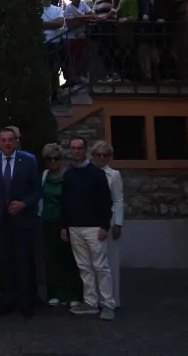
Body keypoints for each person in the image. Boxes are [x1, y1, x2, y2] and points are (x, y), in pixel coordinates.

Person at [0, 128, 40, 317]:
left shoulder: (28, 162)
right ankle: (8, 299)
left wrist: (24, 203)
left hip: (23, 220)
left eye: (10, 140)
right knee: (5, 262)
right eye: (4, 140)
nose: (7, 143)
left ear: (16, 142)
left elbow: (37, 190)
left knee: (23, 262)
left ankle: (25, 302)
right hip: (1, 222)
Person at [62, 137, 116, 320]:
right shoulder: (69, 174)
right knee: (84, 267)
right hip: (74, 227)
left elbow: (106, 201)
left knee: (101, 267)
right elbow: (65, 201)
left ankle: (108, 304)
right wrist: (64, 226)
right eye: (73, 148)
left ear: (85, 150)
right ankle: (90, 302)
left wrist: (105, 226)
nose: (76, 151)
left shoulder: (96, 174)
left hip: (94, 228)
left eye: (79, 148)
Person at [39, 143, 82, 308]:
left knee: (69, 258)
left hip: (66, 222)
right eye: (49, 159)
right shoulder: (45, 175)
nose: (53, 162)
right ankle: (55, 293)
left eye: (56, 158)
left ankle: (74, 294)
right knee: (51, 259)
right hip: (48, 221)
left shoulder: (69, 175)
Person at [91, 140, 125, 308]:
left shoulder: (114, 175)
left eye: (105, 155)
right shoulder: (88, 173)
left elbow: (118, 200)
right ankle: (95, 298)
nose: (102, 158)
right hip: (91, 221)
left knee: (110, 262)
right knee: (93, 263)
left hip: (109, 222)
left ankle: (112, 299)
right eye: (99, 155)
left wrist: (118, 223)